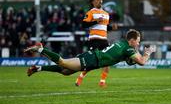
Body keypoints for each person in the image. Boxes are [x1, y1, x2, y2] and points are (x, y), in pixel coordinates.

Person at [24, 29, 156, 80]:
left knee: (65, 71)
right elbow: (142, 61)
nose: (138, 44)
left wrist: (137, 54)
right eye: (137, 41)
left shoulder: (122, 43)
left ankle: (38, 68)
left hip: (94, 59)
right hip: (93, 59)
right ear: (131, 40)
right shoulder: (128, 48)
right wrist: (148, 52)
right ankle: (40, 49)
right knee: (63, 63)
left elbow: (129, 60)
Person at [75, 0, 113, 87]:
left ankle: (102, 82)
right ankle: (81, 76)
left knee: (108, 61)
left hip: (104, 40)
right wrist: (96, 21)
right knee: (92, 63)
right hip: (94, 40)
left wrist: (112, 28)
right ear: (93, 2)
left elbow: (105, 27)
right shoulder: (91, 12)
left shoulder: (106, 14)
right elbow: (84, 24)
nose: (100, 1)